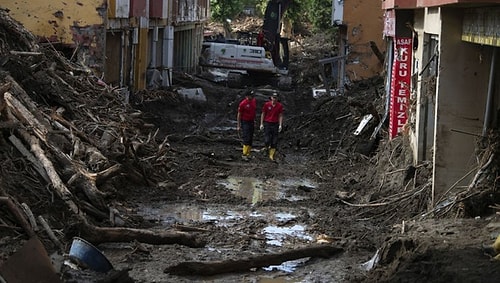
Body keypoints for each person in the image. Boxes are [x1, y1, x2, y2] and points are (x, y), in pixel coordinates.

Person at [260, 91, 283, 161]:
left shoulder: (279, 106)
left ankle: (271, 155)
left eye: (276, 98)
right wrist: (261, 123)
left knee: (274, 141)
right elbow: (263, 113)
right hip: (267, 123)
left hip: (275, 123)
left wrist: (280, 125)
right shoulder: (267, 105)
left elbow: (280, 115)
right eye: (273, 98)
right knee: (267, 139)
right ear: (271, 98)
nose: (274, 99)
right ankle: (266, 148)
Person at [237, 90, 257, 160]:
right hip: (245, 121)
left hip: (251, 121)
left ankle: (248, 153)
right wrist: (238, 125)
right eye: (250, 96)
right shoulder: (243, 104)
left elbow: (254, 111)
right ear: (246, 96)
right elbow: (239, 114)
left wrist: (254, 120)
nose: (251, 97)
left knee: (251, 137)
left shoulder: (253, 101)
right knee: (246, 137)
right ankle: (244, 153)